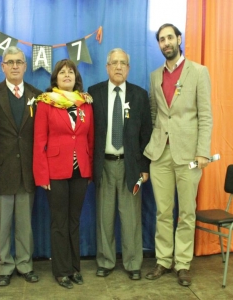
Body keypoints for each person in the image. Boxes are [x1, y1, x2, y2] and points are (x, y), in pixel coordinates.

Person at [143, 23, 213, 286]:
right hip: (160, 154)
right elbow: (154, 113)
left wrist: (203, 151)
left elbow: (205, 115)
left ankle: (182, 263)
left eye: (170, 37)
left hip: (190, 156)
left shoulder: (198, 72)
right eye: (161, 39)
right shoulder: (154, 76)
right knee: (163, 211)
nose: (166, 43)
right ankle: (163, 260)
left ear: (179, 39)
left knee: (186, 212)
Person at [88, 48, 152, 281]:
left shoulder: (139, 95)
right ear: (106, 67)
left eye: (123, 63)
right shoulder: (94, 93)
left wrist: (145, 167)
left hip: (131, 166)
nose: (118, 67)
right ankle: (105, 261)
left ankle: (133, 263)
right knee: (104, 217)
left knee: (131, 217)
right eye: (114, 63)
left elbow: (146, 134)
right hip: (103, 165)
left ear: (128, 68)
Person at [33, 59, 94, 289]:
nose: (66, 75)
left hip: (81, 171)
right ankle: (61, 271)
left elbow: (89, 138)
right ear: (55, 78)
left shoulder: (85, 103)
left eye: (70, 72)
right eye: (62, 72)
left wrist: (90, 172)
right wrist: (42, 176)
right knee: (59, 222)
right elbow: (39, 142)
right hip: (55, 171)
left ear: (76, 77)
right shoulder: (46, 103)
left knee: (74, 221)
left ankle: (75, 268)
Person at [0, 46, 41, 286]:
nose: (15, 65)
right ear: (3, 66)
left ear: (25, 66)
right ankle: (5, 267)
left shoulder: (38, 95)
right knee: (4, 223)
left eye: (19, 62)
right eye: (11, 62)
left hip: (28, 170)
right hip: (1, 169)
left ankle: (25, 265)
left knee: (25, 224)